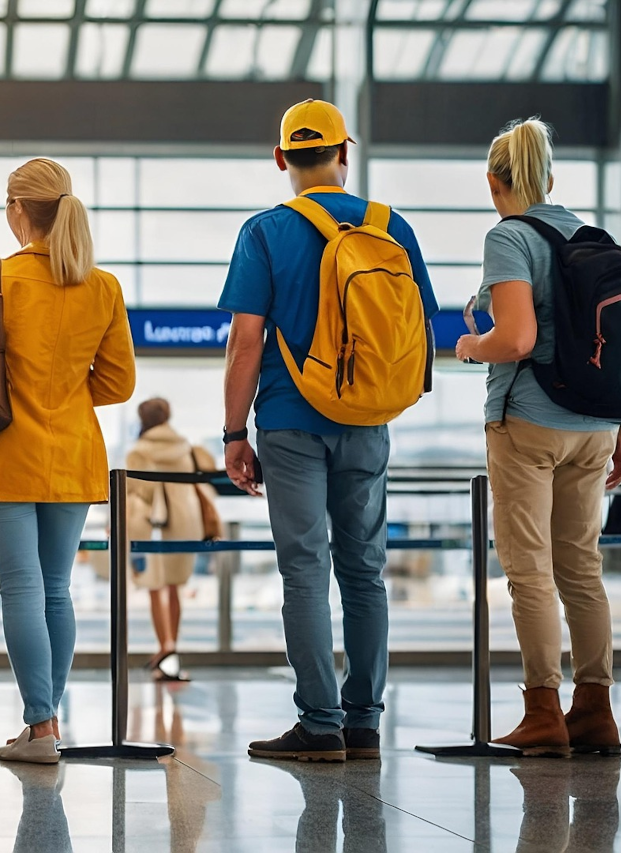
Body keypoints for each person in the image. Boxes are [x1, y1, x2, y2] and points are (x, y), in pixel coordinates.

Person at [219, 100, 437, 761]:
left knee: (305, 571)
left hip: (289, 422)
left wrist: (233, 432)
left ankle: (320, 723)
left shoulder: (264, 231)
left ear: (282, 157)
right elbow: (421, 327)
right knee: (365, 572)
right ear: (345, 153)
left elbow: (245, 342)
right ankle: (364, 720)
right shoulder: (389, 225)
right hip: (369, 421)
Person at [0, 158, 136, 764]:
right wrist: (68, 397)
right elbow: (120, 381)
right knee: (56, 588)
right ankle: (47, 723)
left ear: (19, 209)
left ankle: (40, 725)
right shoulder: (101, 286)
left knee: (21, 586)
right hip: (73, 452)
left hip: (6, 450)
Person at [454, 118, 621, 757]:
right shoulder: (590, 235)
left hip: (529, 423)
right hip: (598, 425)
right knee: (582, 567)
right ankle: (597, 711)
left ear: (495, 183)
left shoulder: (508, 237)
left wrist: (472, 347)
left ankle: (544, 713)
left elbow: (517, 338)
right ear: (550, 179)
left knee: (530, 572)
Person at [125, 397, 213, 683]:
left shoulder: (139, 450)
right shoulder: (184, 447)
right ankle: (170, 648)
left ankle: (164, 648)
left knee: (154, 587)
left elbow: (136, 490)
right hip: (184, 524)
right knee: (174, 587)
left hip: (150, 525)